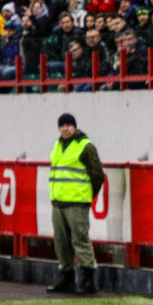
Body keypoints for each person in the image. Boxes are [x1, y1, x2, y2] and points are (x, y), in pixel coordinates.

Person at [47, 113, 105, 295]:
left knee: (80, 241)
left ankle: (88, 281)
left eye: (69, 125)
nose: (66, 128)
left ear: (75, 127)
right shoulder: (58, 145)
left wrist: (87, 196)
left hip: (77, 203)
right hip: (59, 202)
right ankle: (67, 278)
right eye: (62, 125)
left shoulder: (85, 146)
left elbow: (98, 175)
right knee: (61, 242)